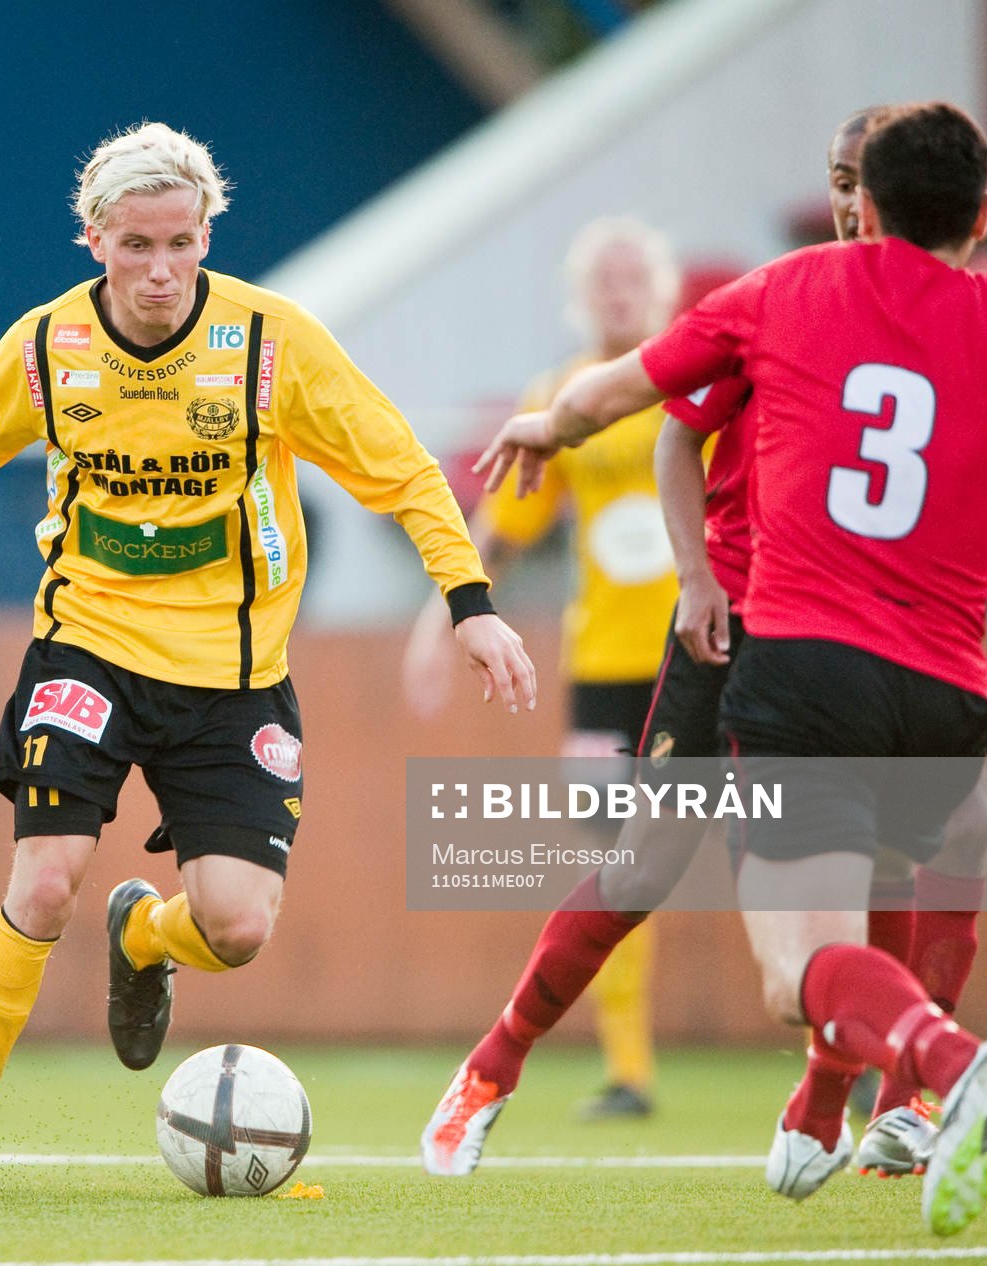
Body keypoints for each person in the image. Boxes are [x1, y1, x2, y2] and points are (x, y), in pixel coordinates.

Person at [471, 101, 987, 1234]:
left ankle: (946, 1064)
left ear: (869, 204)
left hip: (801, 668)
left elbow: (623, 394)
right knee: (956, 843)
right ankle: (859, 1103)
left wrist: (548, 425)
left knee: (801, 963)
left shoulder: (784, 291)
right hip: (949, 694)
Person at [0, 121, 538, 1195]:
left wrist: (470, 603)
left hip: (236, 673)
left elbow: (400, 470)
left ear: (209, 233)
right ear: (92, 240)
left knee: (238, 927)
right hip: (89, 647)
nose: (160, 270)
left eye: (181, 243)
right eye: (135, 245)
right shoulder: (47, 348)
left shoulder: (270, 341)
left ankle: (148, 938)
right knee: (46, 877)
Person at [423, 108, 987, 1184]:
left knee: (927, 841)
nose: (841, 199)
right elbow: (679, 430)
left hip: (860, 632)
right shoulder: (788, 301)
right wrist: (696, 573)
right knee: (643, 863)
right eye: (831, 175)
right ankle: (495, 1067)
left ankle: (886, 1101)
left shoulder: (959, 316)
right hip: (735, 625)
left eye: (855, 180)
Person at [405, 217, 687, 1122]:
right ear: (580, 293)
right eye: (602, 277)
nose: (617, 290)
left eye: (632, 272)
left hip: (703, 651)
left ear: (662, 285)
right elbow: (506, 524)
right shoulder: (563, 394)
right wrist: (436, 619)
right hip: (603, 665)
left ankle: (839, 1042)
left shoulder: (695, 376)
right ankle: (629, 1072)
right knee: (615, 858)